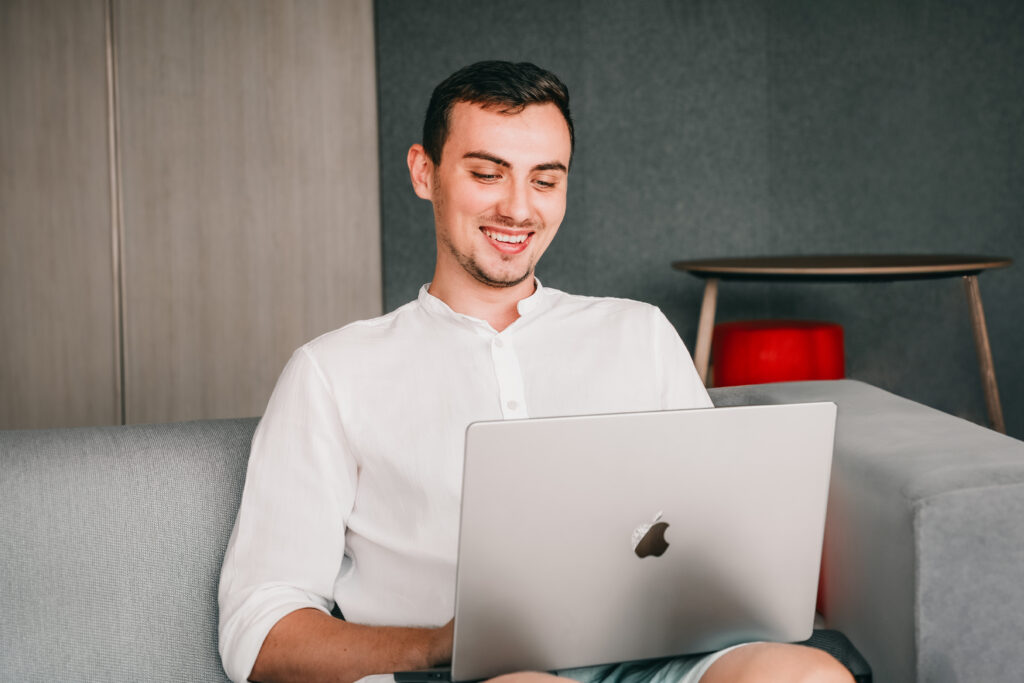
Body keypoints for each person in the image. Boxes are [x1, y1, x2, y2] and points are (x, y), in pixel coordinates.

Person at [218, 61, 853, 683]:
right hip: (453, 675)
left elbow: (708, 532)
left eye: (545, 181)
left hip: (654, 659)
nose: (518, 209)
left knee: (806, 675)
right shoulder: (332, 372)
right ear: (424, 172)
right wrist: (439, 645)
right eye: (488, 174)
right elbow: (260, 633)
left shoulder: (640, 334)